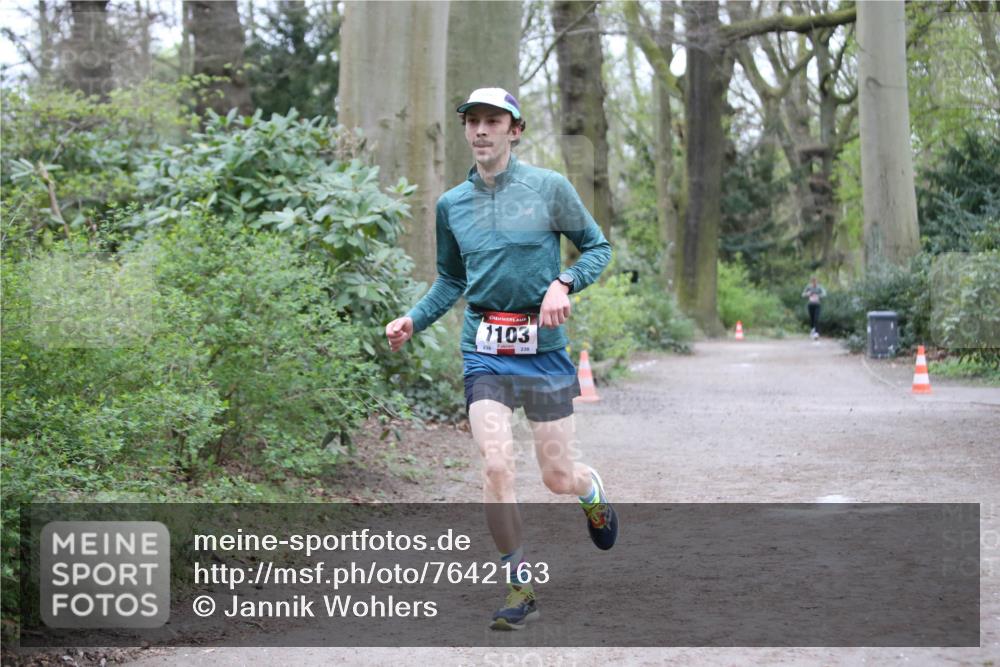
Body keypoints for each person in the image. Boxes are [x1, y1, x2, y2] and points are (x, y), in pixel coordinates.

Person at [384, 87, 617, 631]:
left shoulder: (549, 188)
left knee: (557, 476)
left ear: (515, 130)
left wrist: (564, 282)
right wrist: (414, 318)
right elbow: (451, 279)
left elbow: (598, 248)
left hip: (544, 352)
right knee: (495, 464)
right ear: (466, 130)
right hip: (484, 352)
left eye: (494, 121)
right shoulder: (452, 205)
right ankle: (519, 585)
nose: (482, 130)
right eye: (473, 121)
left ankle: (590, 490)